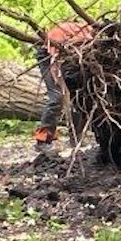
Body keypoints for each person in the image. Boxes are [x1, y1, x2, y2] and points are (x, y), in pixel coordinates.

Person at [34, 19, 93, 151]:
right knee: (57, 97)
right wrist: (58, 80)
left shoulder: (90, 34)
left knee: (79, 97)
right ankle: (43, 140)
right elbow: (54, 58)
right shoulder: (61, 33)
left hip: (70, 60)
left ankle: (76, 139)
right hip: (49, 57)